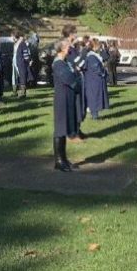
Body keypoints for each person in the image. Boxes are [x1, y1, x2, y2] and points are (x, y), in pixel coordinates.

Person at [52, 38, 80, 172]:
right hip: (62, 98)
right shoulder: (58, 64)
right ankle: (58, 160)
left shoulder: (65, 62)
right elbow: (69, 78)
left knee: (65, 129)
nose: (70, 49)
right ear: (61, 49)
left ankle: (63, 158)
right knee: (60, 129)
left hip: (67, 97)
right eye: (68, 47)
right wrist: (77, 83)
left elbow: (74, 74)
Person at [62, 24, 86, 141]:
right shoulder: (67, 47)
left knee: (79, 106)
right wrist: (85, 52)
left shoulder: (72, 47)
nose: (76, 35)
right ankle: (72, 133)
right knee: (74, 107)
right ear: (71, 34)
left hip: (77, 78)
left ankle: (77, 129)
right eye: (75, 33)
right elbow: (79, 63)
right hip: (72, 80)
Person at [83, 39, 110, 119]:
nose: (100, 47)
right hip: (94, 81)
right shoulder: (91, 56)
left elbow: (105, 57)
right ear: (94, 46)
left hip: (94, 80)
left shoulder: (94, 55)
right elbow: (96, 68)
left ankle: (95, 115)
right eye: (98, 45)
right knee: (94, 98)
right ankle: (95, 116)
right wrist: (103, 72)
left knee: (95, 97)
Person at [12, 31, 33, 99]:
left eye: (13, 36)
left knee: (23, 77)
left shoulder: (22, 44)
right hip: (17, 62)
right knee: (18, 77)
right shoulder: (16, 44)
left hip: (22, 63)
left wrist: (27, 61)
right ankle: (17, 92)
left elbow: (26, 54)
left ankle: (23, 93)